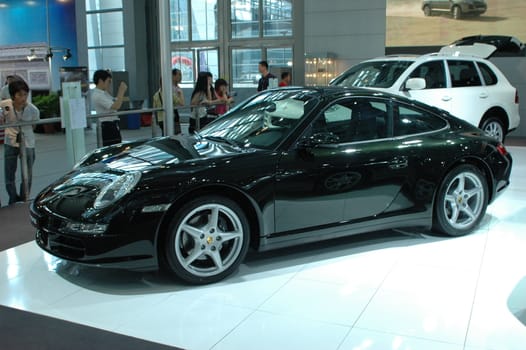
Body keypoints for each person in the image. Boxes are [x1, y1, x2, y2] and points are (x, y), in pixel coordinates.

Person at [0, 79, 40, 205]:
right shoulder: (4, 105)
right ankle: (13, 198)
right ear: (13, 95)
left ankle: (25, 198)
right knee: (9, 173)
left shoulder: (33, 109)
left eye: (25, 94)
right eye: (20, 95)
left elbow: (34, 125)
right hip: (10, 142)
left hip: (28, 142)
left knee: (27, 173)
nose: (23, 98)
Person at [91, 69, 128, 146]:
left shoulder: (103, 93)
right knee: (113, 149)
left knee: (117, 147)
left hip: (112, 125)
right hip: (107, 127)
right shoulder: (98, 95)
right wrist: (121, 91)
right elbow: (116, 106)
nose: (109, 84)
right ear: (101, 81)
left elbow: (114, 101)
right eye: (108, 81)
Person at [152, 68, 185, 135]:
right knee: (176, 135)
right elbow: (182, 103)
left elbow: (154, 108)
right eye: (179, 74)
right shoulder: (170, 93)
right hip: (171, 116)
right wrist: (181, 94)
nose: (180, 77)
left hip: (161, 119)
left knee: (165, 135)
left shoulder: (156, 94)